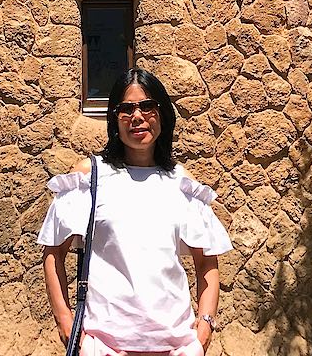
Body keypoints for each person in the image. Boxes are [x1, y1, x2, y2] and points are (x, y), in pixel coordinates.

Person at [39, 68, 232, 356]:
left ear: (162, 114)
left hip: (176, 346)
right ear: (115, 120)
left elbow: (206, 262)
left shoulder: (181, 182)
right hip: (104, 346)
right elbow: (53, 252)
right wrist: (65, 323)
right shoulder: (90, 176)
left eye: (147, 106)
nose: (137, 116)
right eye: (126, 109)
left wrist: (203, 328)